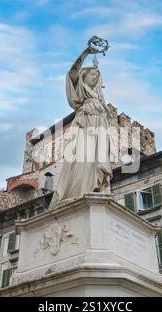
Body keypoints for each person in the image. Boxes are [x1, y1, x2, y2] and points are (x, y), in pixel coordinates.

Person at [49, 46, 115, 209]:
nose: (95, 77)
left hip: (100, 129)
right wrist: (86, 53)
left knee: (96, 162)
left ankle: (95, 189)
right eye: (93, 74)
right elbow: (72, 72)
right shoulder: (80, 88)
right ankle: (78, 191)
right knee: (82, 159)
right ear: (84, 75)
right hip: (85, 125)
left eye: (97, 76)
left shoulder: (99, 98)